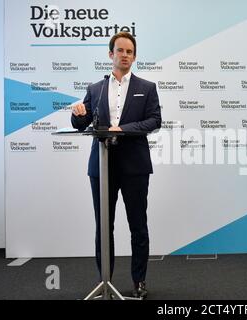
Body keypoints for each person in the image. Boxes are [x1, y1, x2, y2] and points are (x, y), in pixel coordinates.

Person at [71, 31, 162, 298]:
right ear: (111, 54)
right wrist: (77, 114)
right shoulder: (95, 89)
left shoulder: (147, 88)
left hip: (135, 166)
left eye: (129, 52)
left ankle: (139, 282)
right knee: (103, 226)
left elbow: (154, 120)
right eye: (120, 50)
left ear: (134, 57)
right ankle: (105, 281)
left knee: (138, 225)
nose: (125, 55)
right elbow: (81, 124)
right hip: (102, 167)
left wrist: (121, 129)